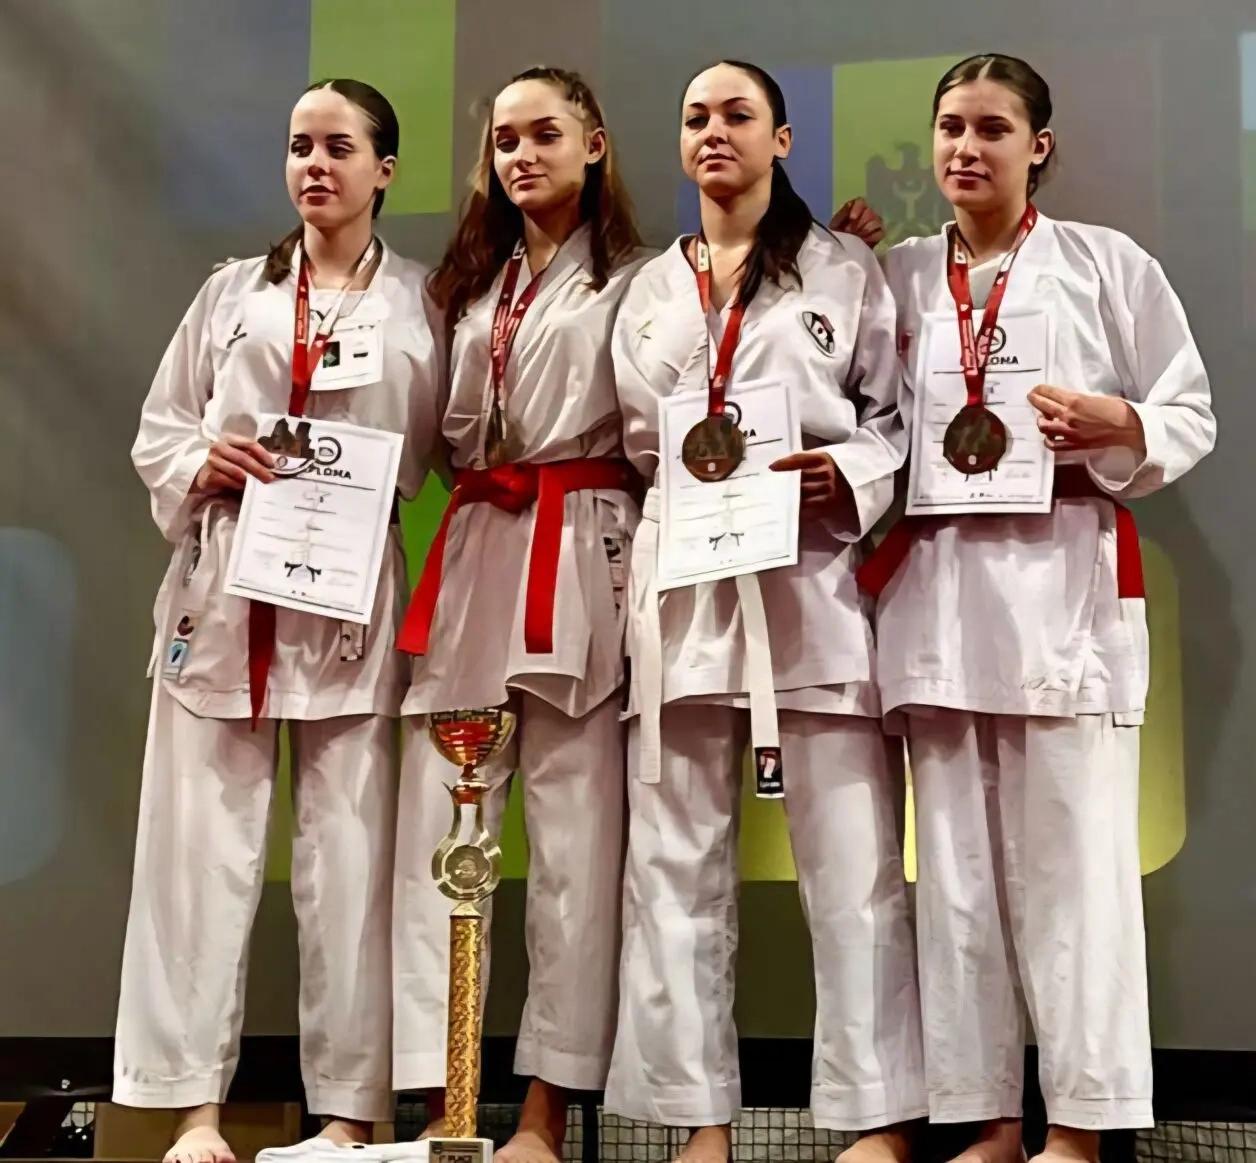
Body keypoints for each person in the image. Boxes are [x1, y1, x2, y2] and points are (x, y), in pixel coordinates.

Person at [854, 53, 1216, 1163]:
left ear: (1037, 146)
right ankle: (989, 1120)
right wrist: (834, 260)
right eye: (950, 127)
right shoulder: (898, 274)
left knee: (1075, 877)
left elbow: (1188, 410)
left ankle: (1081, 1127)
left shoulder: (1106, 263)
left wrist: (1119, 420)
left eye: (992, 128)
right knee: (955, 879)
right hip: (936, 592)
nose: (965, 147)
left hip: (1061, 587)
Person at [115, 79, 444, 1163]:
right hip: (227, 595)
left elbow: (462, 436)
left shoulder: (423, 304)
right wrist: (199, 459)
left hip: (349, 601)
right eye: (300, 146)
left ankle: (348, 1113)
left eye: (339, 147)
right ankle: (194, 1110)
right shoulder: (231, 293)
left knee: (349, 864)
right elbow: (161, 428)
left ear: (383, 169)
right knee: (196, 860)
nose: (315, 165)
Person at [604, 59, 927, 1163]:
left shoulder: (842, 268)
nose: (714, 132)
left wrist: (853, 471)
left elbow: (893, 418)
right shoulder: (649, 290)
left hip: (808, 581)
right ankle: (698, 1119)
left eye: (737, 115)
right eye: (694, 116)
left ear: (781, 139)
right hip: (687, 589)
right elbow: (637, 443)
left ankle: (874, 1118)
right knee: (673, 866)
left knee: (852, 868)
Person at [389, 67, 647, 1163]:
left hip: (581, 539)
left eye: (544, 133)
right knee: (439, 832)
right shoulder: (467, 286)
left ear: (595, 144)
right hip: (482, 540)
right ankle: (440, 1100)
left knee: (577, 840)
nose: (521, 155)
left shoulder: (640, 280)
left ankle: (545, 1105)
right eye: (504, 140)